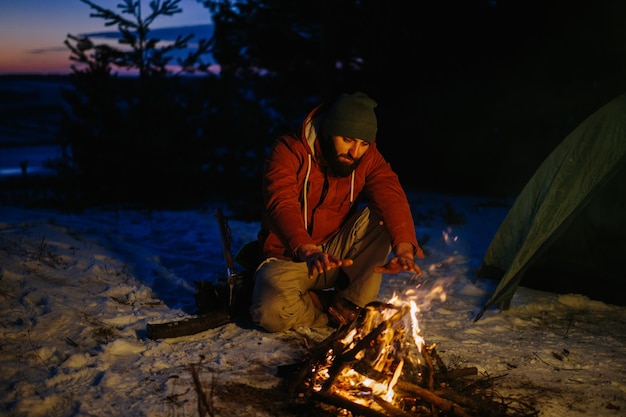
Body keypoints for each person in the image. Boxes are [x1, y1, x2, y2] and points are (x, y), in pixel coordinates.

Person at [249, 91, 424, 332]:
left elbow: (392, 196)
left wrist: (404, 249)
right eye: (347, 139)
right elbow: (281, 203)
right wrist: (307, 249)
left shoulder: (367, 158)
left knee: (381, 215)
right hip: (290, 257)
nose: (355, 152)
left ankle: (351, 305)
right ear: (329, 131)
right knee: (269, 314)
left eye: (363, 143)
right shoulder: (289, 151)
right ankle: (326, 311)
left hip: (337, 255)